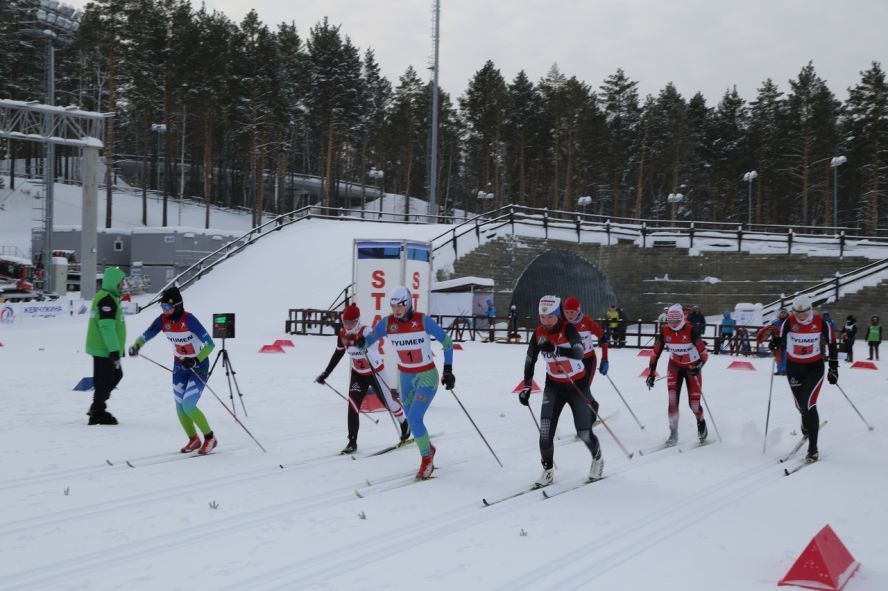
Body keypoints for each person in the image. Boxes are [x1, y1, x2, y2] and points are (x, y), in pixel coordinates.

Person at [362, 286, 454, 480]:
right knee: (412, 417)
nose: (397, 310)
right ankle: (428, 448)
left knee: (414, 419)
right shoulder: (387, 323)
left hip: (427, 375)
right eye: (393, 306)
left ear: (408, 303)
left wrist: (448, 369)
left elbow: (446, 342)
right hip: (406, 377)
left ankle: (426, 460)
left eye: (400, 306)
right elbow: (370, 340)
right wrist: (358, 341)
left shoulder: (422, 320)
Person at [519, 295, 604, 487]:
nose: (546, 321)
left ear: (558, 315)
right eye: (542, 317)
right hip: (554, 386)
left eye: (550, 317)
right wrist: (526, 386)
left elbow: (579, 352)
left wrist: (556, 349)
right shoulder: (539, 332)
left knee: (583, 432)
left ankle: (598, 459)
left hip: (577, 385)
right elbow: (530, 359)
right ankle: (548, 470)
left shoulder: (569, 328)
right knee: (545, 432)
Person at [128, 286, 219, 454]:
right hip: (179, 366)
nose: (165, 311)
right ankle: (193, 439)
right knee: (179, 407)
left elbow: (210, 345)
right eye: (163, 307)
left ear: (177, 306)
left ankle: (210, 438)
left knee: (188, 405)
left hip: (198, 365)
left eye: (168, 307)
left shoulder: (189, 319)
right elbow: (149, 333)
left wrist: (195, 359)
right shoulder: (163, 320)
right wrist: (137, 345)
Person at [316, 303, 410, 454]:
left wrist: (363, 343)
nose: (347, 325)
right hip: (358, 374)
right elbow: (338, 354)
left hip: (375, 372)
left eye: (351, 322)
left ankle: (404, 423)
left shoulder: (366, 331)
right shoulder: (343, 335)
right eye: (345, 322)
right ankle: (352, 442)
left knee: (388, 403)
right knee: (353, 406)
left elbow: (373, 348)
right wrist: (326, 373)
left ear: (358, 320)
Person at [769, 294, 838, 463]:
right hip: (794, 368)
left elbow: (832, 343)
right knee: (801, 406)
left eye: (804, 312)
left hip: (814, 367)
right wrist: (774, 343)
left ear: (810, 309)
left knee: (809, 404)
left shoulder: (821, 322)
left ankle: (813, 449)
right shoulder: (789, 322)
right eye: (796, 312)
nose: (800, 316)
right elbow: (780, 338)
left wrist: (834, 368)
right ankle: (806, 423)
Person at [646, 303, 709, 446]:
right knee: (672, 400)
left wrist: (698, 366)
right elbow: (655, 353)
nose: (673, 324)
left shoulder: (691, 330)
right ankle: (673, 433)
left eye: (676, 321)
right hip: (674, 366)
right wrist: (651, 373)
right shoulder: (664, 331)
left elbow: (704, 354)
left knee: (694, 405)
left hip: (692, 367)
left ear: (681, 319)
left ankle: (701, 421)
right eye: (670, 321)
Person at [84, 266, 127, 425]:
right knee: (106, 380)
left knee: (113, 377)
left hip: (106, 349)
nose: (123, 285)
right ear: (114, 282)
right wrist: (114, 350)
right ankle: (97, 412)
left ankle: (97, 405)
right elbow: (107, 327)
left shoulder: (109, 298)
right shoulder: (106, 300)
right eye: (121, 282)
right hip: (104, 349)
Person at [562, 296, 609, 419]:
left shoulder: (587, 322)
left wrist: (605, 359)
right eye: (566, 312)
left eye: (571, 312)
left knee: (582, 390)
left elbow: (603, 339)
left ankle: (589, 417)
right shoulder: (563, 324)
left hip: (588, 360)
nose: (569, 315)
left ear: (578, 310)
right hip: (574, 361)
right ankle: (593, 404)